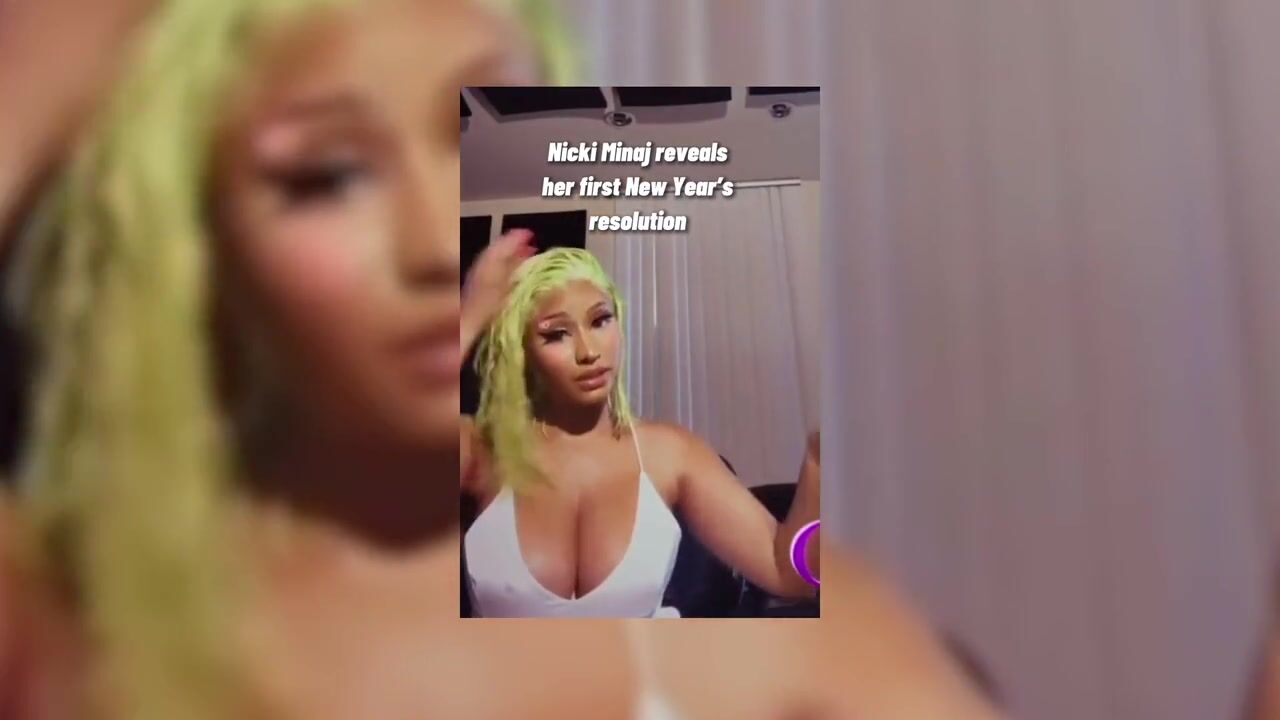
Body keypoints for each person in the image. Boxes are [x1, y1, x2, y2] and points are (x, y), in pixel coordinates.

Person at [0, 0, 1006, 718]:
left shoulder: (676, 470)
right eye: (327, 177)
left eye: (471, 133)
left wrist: (813, 487)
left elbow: (790, 572)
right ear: (199, 250)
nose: (433, 242)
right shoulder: (99, 628)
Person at [460, 245, 819, 617]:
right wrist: (469, 319)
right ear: (522, 352)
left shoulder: (670, 453)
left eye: (600, 321)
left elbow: (791, 574)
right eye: (557, 335)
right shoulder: (481, 449)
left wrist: (818, 460)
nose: (588, 351)